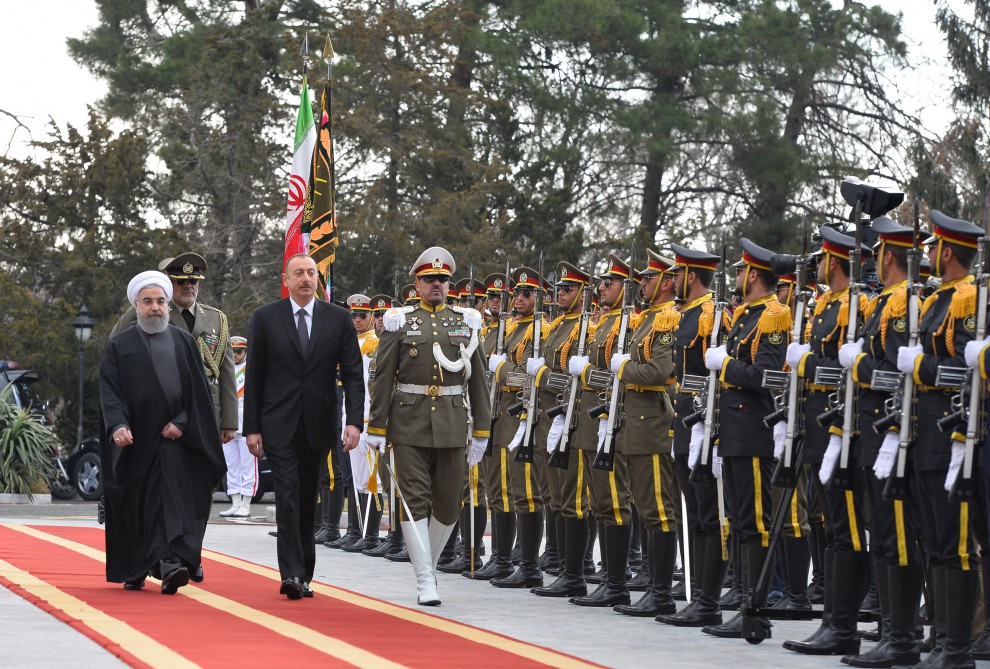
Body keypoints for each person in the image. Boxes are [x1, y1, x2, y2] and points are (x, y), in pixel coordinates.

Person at [366, 246, 492, 606]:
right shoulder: (399, 321)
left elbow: (479, 381)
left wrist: (482, 430)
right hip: (408, 422)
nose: (437, 284)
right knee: (413, 501)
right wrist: (376, 426)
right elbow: (383, 376)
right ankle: (424, 580)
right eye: (429, 279)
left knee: (449, 504)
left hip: (452, 423)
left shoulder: (466, 321)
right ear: (417, 284)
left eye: (442, 279)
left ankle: (429, 568)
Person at [242, 254, 364, 600]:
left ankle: (305, 573)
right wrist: (252, 427)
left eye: (311, 273)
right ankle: (291, 574)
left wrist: (354, 421)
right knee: (288, 497)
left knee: (309, 496)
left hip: (319, 424)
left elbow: (354, 374)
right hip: (277, 423)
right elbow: (255, 376)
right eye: (299, 273)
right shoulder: (265, 318)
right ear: (286, 278)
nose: (306, 278)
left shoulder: (338, 319)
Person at [99, 271, 226, 595]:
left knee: (168, 502)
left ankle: (171, 566)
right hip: (134, 442)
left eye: (160, 302)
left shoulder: (184, 342)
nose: (154, 308)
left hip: (174, 440)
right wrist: (118, 426)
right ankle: (138, 568)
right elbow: (110, 392)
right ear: (136, 306)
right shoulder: (119, 345)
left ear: (168, 305)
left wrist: (183, 422)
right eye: (147, 302)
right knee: (138, 505)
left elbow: (195, 392)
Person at [701, 238, 789, 639]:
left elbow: (766, 379)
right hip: (735, 432)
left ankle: (756, 609)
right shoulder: (745, 315)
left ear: (753, 274)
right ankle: (743, 602)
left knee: (755, 523)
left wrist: (728, 365)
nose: (735, 276)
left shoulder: (772, 316)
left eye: (739, 270)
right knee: (739, 523)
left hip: (755, 433)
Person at [109, 252, 238, 444]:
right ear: (169, 283)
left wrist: (229, 421)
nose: (188, 286)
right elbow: (114, 350)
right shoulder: (148, 311)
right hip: (163, 408)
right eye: (181, 281)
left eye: (193, 281)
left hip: (207, 407)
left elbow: (226, 372)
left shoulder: (216, 318)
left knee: (205, 470)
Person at [219, 336, 256, 518]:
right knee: (231, 465)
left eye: (239, 352)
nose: (235, 355)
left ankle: (246, 504)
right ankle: (235, 501)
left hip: (246, 420)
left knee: (248, 466)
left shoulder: (251, 370)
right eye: (232, 351)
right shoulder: (224, 368)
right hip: (228, 422)